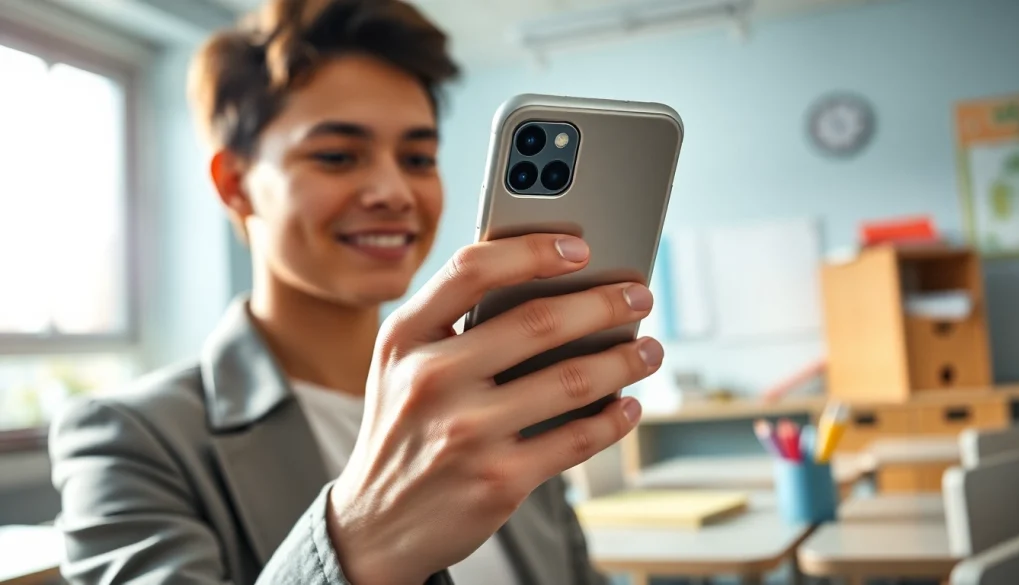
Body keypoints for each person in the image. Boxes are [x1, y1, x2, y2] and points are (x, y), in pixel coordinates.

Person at [48, 0, 664, 583]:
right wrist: (360, 542)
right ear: (235, 184)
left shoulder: (496, 400)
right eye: (339, 156)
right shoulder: (128, 441)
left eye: (418, 159)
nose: (394, 191)